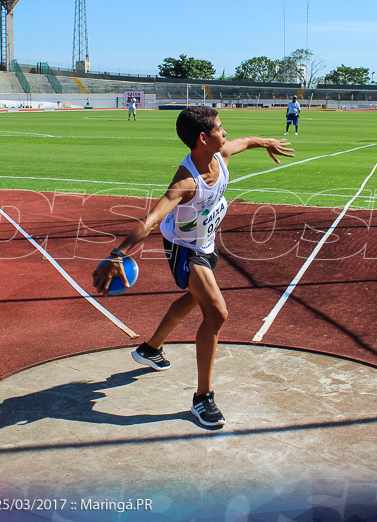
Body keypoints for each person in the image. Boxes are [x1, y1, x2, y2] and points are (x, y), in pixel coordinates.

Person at [92, 105, 294, 427]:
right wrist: (118, 254)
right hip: (184, 248)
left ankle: (150, 348)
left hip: (206, 242)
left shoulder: (222, 154)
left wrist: (268, 141)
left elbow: (247, 141)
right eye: (219, 128)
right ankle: (203, 398)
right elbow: (151, 219)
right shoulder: (187, 182)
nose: (225, 133)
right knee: (216, 312)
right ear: (203, 138)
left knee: (195, 299)